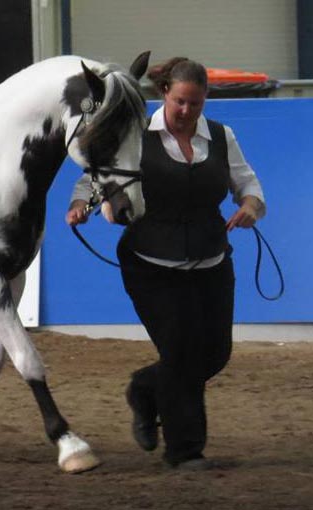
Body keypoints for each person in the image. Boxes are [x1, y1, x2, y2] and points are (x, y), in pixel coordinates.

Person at [66, 57, 266, 470]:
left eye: (195, 103)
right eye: (179, 102)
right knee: (179, 353)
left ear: (206, 99)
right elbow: (94, 177)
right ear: (164, 95)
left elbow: (248, 185)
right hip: (151, 264)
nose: (186, 111)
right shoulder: (135, 134)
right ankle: (185, 450)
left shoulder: (221, 137)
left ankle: (144, 389)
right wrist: (80, 205)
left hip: (211, 260)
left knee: (215, 353)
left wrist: (249, 206)